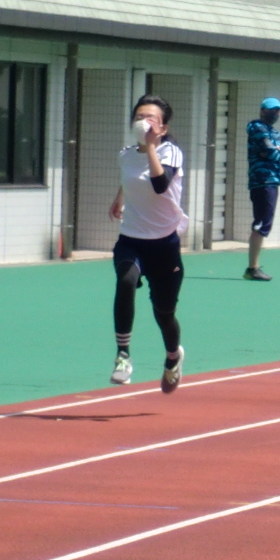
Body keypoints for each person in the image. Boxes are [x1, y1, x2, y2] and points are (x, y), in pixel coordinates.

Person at [108, 95, 188, 393]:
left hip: (165, 244)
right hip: (132, 239)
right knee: (126, 281)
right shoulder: (126, 154)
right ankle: (123, 356)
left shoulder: (171, 152)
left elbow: (158, 184)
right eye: (140, 116)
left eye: (151, 117)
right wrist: (121, 196)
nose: (144, 121)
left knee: (164, 313)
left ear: (163, 127)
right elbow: (132, 177)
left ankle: (172, 357)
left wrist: (151, 145)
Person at [244, 96, 280, 282]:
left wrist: (276, 149)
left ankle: (253, 267)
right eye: (271, 109)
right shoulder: (257, 128)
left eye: (278, 110)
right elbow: (271, 152)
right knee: (262, 223)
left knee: (265, 223)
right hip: (262, 180)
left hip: (272, 181)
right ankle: (252, 268)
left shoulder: (273, 132)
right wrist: (276, 150)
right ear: (262, 110)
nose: (275, 113)